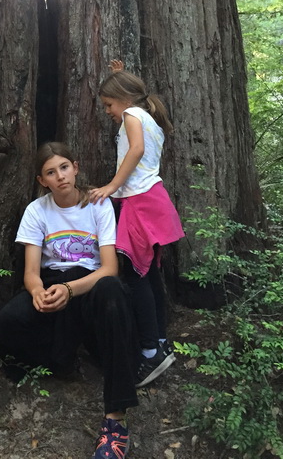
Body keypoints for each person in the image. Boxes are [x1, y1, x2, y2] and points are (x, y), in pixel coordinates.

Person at [0, 142, 137, 459]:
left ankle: (116, 418)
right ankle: (61, 359)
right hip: (54, 284)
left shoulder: (98, 205)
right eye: (50, 172)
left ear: (75, 167)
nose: (60, 177)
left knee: (113, 291)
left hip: (91, 285)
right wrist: (37, 292)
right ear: (42, 180)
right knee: (6, 321)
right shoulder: (38, 210)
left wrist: (72, 289)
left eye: (64, 167)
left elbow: (109, 268)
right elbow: (31, 272)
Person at [91, 61, 185, 387]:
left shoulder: (133, 115)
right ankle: (160, 342)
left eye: (108, 105)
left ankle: (149, 352)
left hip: (139, 201)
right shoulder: (148, 115)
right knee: (150, 275)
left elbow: (136, 149)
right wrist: (120, 71)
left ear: (124, 99)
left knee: (135, 274)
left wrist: (112, 186)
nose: (107, 112)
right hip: (152, 199)